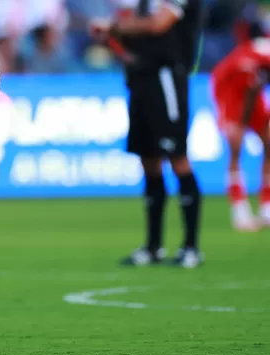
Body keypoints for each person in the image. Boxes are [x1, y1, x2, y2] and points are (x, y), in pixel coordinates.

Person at [90, 0, 204, 268]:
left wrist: (115, 26)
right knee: (149, 160)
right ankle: (154, 246)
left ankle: (191, 247)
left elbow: (157, 24)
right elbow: (134, 33)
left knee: (177, 156)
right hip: (140, 78)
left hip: (167, 78)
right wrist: (113, 36)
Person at [211, 23, 270, 231]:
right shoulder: (243, 57)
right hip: (233, 100)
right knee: (235, 153)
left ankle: (266, 208)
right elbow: (219, 80)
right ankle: (240, 210)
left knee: (269, 147)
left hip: (254, 101)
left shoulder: (254, 53)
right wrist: (226, 114)